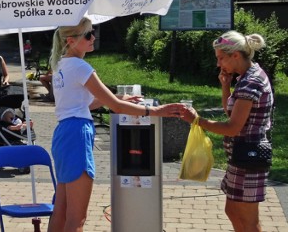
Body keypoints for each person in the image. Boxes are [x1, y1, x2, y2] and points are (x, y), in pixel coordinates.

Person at [46, 18, 184, 232]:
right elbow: (115, 107)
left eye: (93, 32)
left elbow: (83, 105)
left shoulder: (60, 65)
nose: (94, 37)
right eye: (88, 35)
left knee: (61, 210)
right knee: (77, 217)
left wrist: (118, 98)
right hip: (77, 134)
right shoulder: (81, 66)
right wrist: (156, 111)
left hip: (63, 133)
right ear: (71, 41)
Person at [179, 31, 274, 232]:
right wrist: (225, 87)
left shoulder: (251, 83)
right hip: (241, 157)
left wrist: (196, 120)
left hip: (249, 157)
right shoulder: (247, 77)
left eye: (221, 58)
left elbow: (232, 128)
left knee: (248, 221)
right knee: (232, 210)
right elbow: (231, 112)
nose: (218, 64)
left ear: (236, 55)